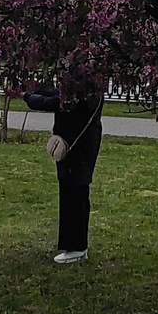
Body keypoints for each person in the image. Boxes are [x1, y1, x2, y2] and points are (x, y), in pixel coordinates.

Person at [23, 88, 104, 264]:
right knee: (70, 189)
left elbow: (56, 102)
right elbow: (58, 95)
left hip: (77, 146)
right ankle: (73, 245)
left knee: (75, 191)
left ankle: (77, 247)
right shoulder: (85, 86)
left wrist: (28, 96)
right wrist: (38, 91)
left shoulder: (84, 89)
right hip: (76, 143)